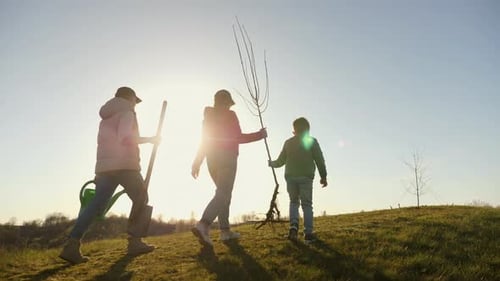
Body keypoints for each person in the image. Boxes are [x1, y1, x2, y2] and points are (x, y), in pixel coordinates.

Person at [59, 86, 160, 264]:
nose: (135, 105)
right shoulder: (127, 113)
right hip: (126, 165)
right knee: (141, 198)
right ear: (130, 98)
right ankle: (135, 242)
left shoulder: (106, 117)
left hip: (105, 166)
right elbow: (125, 138)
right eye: (135, 101)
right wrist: (150, 140)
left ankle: (72, 245)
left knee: (96, 204)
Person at [191, 89, 267, 247]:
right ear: (226, 102)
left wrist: (197, 162)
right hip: (227, 157)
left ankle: (225, 232)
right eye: (228, 103)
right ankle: (203, 224)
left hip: (211, 159)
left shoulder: (208, 117)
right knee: (223, 194)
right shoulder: (230, 115)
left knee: (223, 194)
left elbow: (205, 140)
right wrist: (259, 135)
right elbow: (238, 137)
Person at [268, 117, 327, 244]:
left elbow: (281, 161)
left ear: (294, 129)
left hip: (291, 177)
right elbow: (319, 160)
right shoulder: (311, 141)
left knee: (294, 202)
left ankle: (293, 227)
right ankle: (308, 234)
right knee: (307, 204)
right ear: (307, 129)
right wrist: (323, 176)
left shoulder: (288, 143)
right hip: (306, 177)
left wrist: (272, 163)